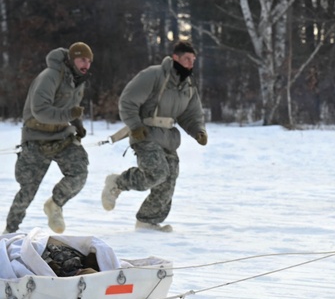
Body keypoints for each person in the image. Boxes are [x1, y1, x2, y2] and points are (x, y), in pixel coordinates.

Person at [101, 40, 207, 232]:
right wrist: (135, 125)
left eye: (193, 60)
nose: (191, 64)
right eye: (187, 59)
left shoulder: (188, 86)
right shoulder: (154, 75)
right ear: (175, 58)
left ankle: (148, 221)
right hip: (145, 133)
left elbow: (191, 114)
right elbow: (127, 101)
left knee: (169, 178)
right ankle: (117, 182)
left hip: (168, 138)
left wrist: (198, 131)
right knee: (157, 173)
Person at [5, 42, 94, 235]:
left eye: (88, 60)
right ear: (71, 59)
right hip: (36, 138)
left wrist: (77, 124)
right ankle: (9, 232)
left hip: (62, 137)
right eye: (81, 59)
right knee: (28, 189)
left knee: (79, 172)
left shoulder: (79, 80)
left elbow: (72, 107)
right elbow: (40, 111)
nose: (85, 63)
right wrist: (69, 115)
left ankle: (54, 204)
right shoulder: (50, 76)